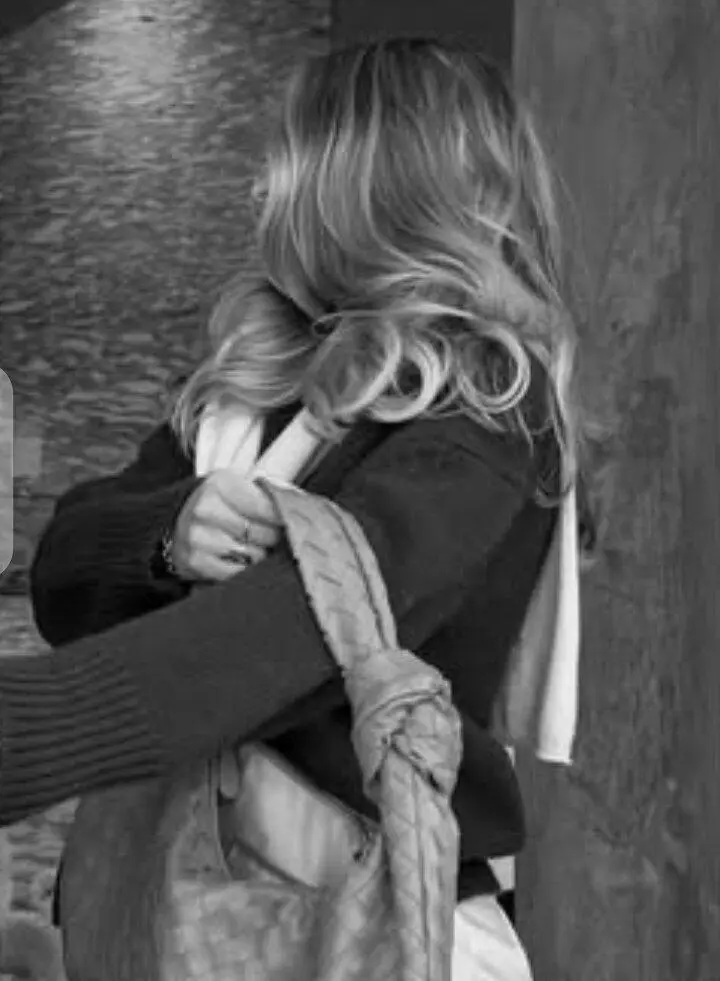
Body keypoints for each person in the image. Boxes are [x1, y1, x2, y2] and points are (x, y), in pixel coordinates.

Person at [0, 11, 596, 979]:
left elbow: (292, 637)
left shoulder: (488, 412)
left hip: (358, 926)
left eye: (284, 162)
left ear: (370, 185)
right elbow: (65, 573)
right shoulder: (250, 387)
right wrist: (164, 536)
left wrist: (27, 733)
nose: (259, 187)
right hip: (169, 898)